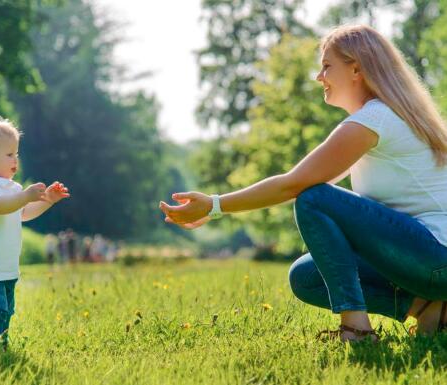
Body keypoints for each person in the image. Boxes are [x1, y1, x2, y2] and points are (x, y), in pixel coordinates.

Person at [160, 24, 447, 342]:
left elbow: (292, 185)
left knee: (314, 199)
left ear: (356, 69)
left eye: (327, 66)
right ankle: (427, 308)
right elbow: (296, 183)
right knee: (307, 276)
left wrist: (215, 205)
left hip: (436, 258)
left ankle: (356, 330)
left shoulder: (374, 119)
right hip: (430, 264)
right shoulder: (387, 117)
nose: (319, 77)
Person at [0, 114, 70, 354]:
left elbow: (23, 213)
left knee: (6, 311)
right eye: (9, 154)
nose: (15, 159)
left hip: (4, 268)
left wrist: (47, 200)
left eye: (16, 153)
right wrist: (23, 197)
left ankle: (1, 347)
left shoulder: (11, 188)